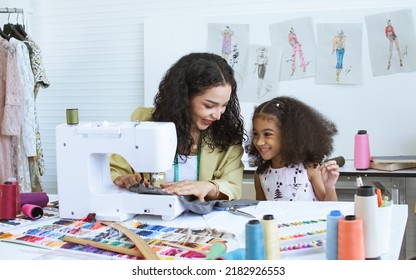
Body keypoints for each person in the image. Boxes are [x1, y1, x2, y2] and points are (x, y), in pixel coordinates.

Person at [110, 52, 246, 202]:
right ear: (185, 97)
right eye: (209, 106)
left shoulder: (227, 132)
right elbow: (114, 170)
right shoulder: (144, 122)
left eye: (224, 105)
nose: (218, 115)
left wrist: (209, 187)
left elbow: (233, 186)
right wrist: (125, 179)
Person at [245, 96, 339, 201]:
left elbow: (330, 210)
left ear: (288, 135)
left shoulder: (309, 169)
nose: (259, 141)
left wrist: (330, 187)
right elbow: (262, 211)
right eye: (255, 133)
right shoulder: (260, 175)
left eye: (267, 134)